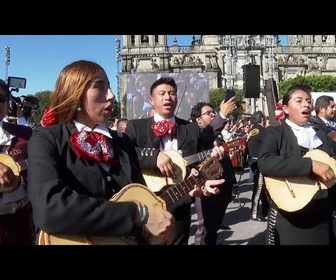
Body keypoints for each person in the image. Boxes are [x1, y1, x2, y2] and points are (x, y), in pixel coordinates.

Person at [27, 60, 224, 245]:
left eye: (110, 87)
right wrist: (137, 214)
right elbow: (49, 207)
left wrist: (187, 192)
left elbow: (145, 198)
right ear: (75, 93)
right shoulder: (47, 138)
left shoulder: (121, 143)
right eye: (100, 86)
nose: (112, 95)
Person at [125, 76, 236, 245]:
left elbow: (199, 164)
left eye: (172, 93)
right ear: (151, 99)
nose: (167, 97)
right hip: (145, 207)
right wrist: (154, 156)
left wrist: (205, 179)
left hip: (180, 204)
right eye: (162, 93)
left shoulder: (190, 129)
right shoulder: (135, 127)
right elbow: (125, 154)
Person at [258, 84, 336, 245]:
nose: (306, 104)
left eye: (308, 101)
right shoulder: (276, 133)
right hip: (293, 216)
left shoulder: (320, 134)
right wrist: (309, 165)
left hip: (323, 214)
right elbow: (265, 162)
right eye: (299, 101)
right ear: (285, 108)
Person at [189, 101, 238, 245]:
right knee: (205, 228)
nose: (213, 114)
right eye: (208, 113)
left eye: (213, 112)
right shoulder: (198, 135)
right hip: (205, 188)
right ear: (198, 119)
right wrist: (222, 115)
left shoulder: (218, 136)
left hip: (223, 185)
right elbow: (207, 135)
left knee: (213, 227)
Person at [0, 79, 37, 244]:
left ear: (7, 103)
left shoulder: (26, 135)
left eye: (0, 98)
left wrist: (19, 177)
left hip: (20, 224)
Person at [247, 110, 269, 222]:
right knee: (259, 189)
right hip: (259, 162)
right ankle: (254, 213)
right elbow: (269, 143)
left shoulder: (252, 130)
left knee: (263, 188)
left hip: (253, 160)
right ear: (262, 119)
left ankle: (266, 209)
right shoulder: (261, 130)